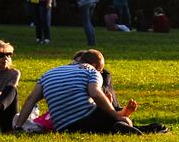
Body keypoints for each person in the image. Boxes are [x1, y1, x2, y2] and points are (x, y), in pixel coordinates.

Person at [12, 49, 167, 135]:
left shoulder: (49, 73)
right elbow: (95, 94)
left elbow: (31, 99)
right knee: (124, 121)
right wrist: (115, 114)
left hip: (63, 127)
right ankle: (118, 126)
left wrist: (18, 127)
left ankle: (116, 127)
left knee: (109, 124)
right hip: (86, 118)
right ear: (94, 64)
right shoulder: (90, 70)